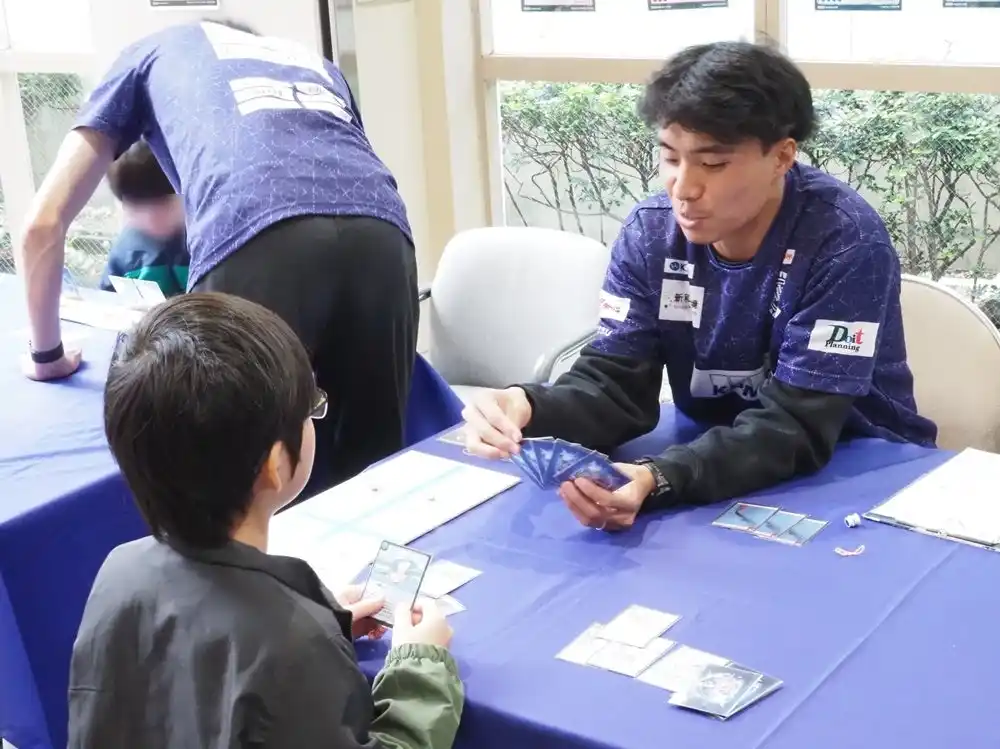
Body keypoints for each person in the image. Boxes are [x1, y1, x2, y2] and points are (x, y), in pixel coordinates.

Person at [463, 41, 937, 532]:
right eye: (670, 158)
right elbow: (616, 385)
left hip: (860, 468)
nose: (684, 188)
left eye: (712, 164)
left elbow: (797, 424)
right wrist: (528, 406)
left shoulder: (843, 240)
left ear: (782, 156)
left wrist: (663, 477)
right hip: (723, 465)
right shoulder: (651, 233)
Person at [15, 18, 417, 498]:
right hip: (383, 232)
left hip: (256, 227)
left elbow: (41, 226)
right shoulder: (314, 65)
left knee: (226, 472)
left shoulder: (147, 55)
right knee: (375, 473)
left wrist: (48, 356)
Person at [69, 292, 463, 748]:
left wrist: (326, 625)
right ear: (274, 465)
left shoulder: (119, 573)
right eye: (311, 408)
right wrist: (421, 670)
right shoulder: (292, 646)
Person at [100, 139, 189, 297]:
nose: (152, 219)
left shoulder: (208, 242)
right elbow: (106, 299)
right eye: (137, 209)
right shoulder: (125, 251)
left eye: (163, 205)